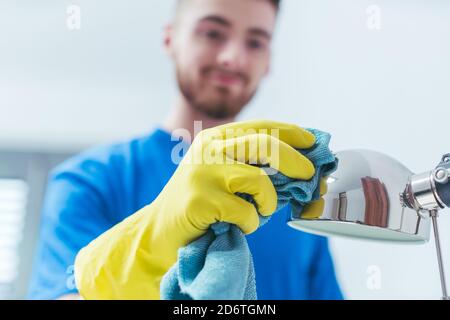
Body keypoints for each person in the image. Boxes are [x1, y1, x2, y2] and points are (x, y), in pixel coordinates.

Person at [28, 0, 343, 300]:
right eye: (213, 33)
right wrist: (149, 244)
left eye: (255, 42)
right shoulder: (87, 181)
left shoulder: (296, 193)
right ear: (170, 39)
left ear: (269, 61)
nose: (232, 57)